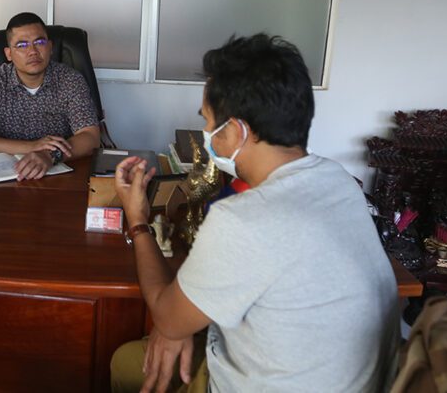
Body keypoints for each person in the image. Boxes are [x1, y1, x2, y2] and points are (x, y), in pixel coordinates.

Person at [111, 34, 399, 393]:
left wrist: (138, 220)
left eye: (208, 122)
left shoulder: (243, 219)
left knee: (125, 362)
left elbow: (167, 318)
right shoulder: (338, 181)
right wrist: (182, 323)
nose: (205, 133)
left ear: (235, 131)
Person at [0, 11, 100, 180]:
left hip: (60, 174)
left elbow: (91, 137)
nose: (32, 51)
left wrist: (51, 155)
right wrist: (32, 147)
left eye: (39, 42)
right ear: (9, 54)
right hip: (9, 176)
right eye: (22, 45)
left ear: (50, 47)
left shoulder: (70, 80)